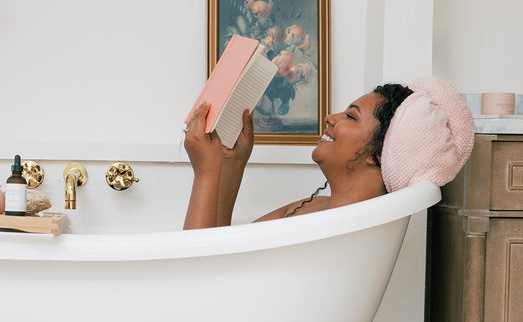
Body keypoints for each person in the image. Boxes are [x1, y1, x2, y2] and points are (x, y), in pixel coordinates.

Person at [183, 77, 475, 230]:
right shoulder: (316, 208)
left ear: (381, 152)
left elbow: (194, 278)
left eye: (350, 116)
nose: (330, 117)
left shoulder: (344, 229)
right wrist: (232, 165)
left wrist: (206, 173)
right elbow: (219, 249)